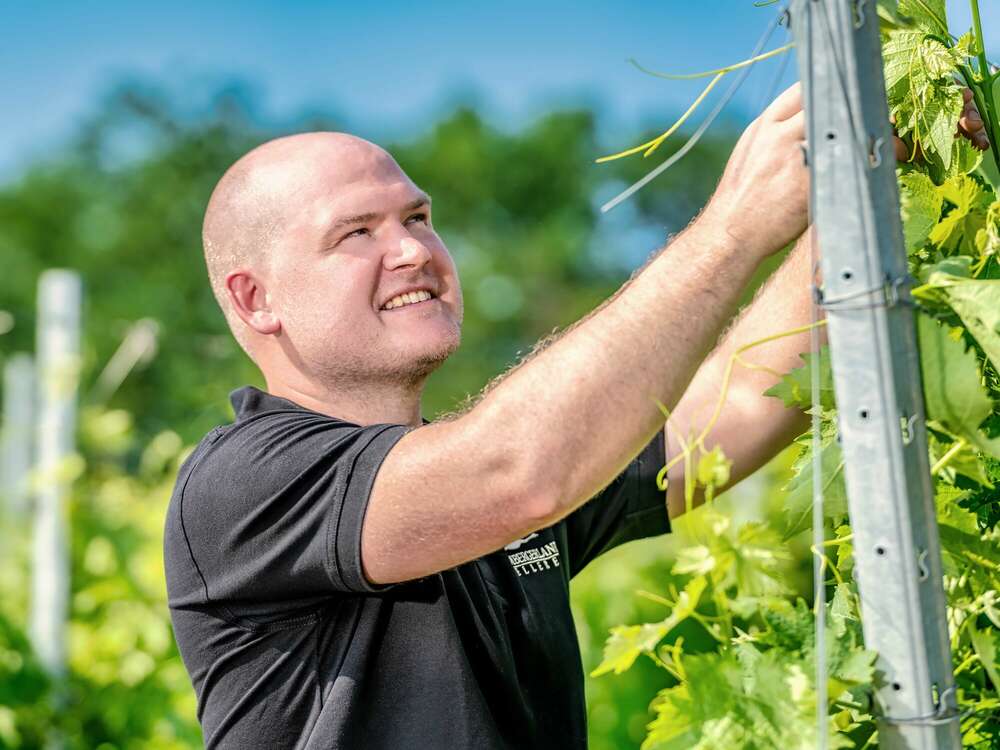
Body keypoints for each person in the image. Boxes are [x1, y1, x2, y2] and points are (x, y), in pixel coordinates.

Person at [163, 83, 988, 749]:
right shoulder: (243, 483)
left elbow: (737, 404)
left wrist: (870, 196)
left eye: (417, 216)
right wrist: (737, 225)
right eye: (356, 233)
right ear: (255, 298)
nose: (413, 249)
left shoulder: (469, 483)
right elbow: (519, 470)